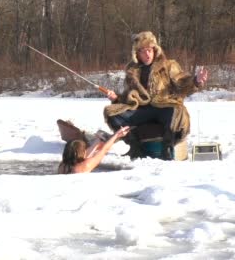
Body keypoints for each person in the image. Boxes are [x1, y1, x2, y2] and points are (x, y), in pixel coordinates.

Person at [103, 31, 208, 159]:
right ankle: (135, 147)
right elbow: (128, 96)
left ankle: (167, 147)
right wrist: (116, 98)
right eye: (143, 51)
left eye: (149, 50)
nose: (147, 54)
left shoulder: (168, 65)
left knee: (177, 111)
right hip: (141, 110)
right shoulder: (132, 72)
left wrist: (196, 80)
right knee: (111, 113)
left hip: (164, 107)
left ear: (154, 50)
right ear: (137, 53)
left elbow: (181, 83)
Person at [58, 126, 130, 174]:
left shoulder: (62, 166)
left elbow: (82, 157)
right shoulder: (86, 165)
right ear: (82, 152)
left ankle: (98, 141)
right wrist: (117, 135)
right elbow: (104, 150)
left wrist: (97, 143)